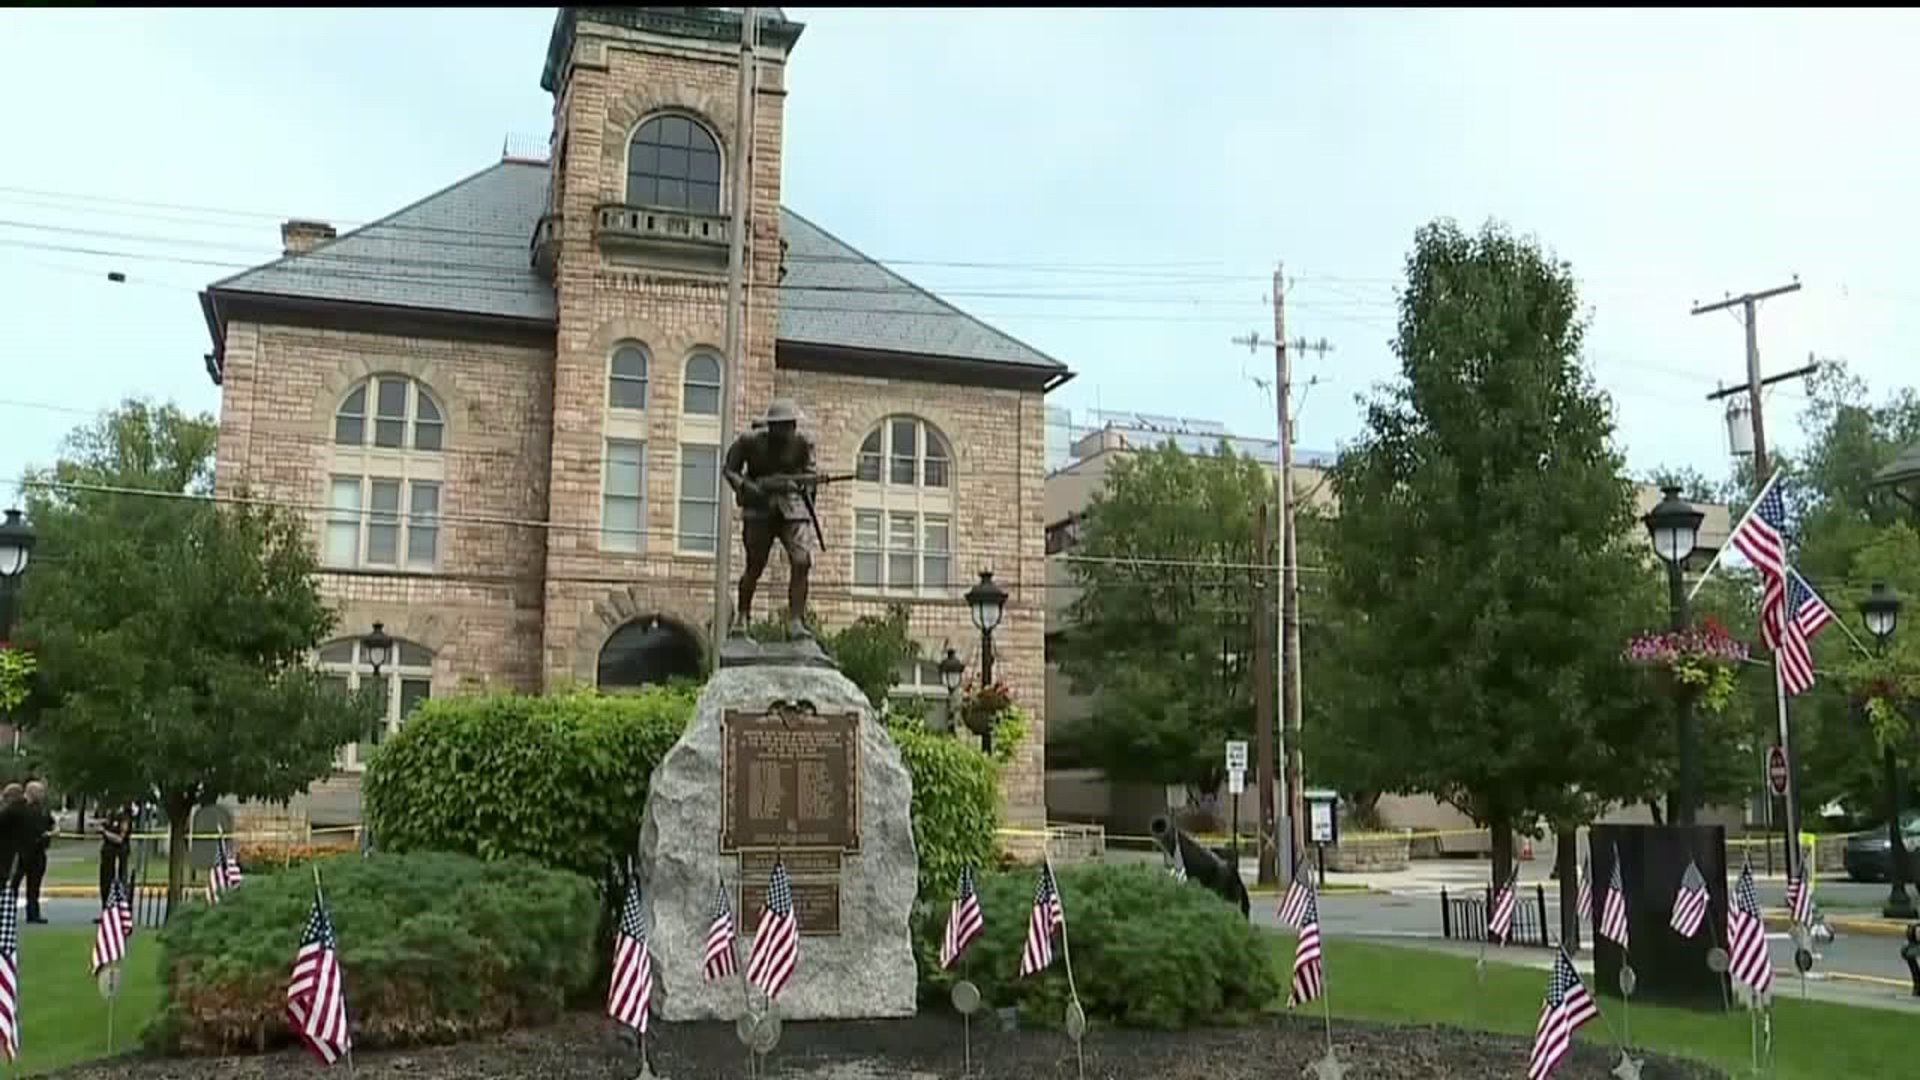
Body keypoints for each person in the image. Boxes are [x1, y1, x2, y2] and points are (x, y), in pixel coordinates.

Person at [721, 399, 817, 639]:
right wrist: (747, 487)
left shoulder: (802, 444)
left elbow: (811, 475)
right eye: (783, 426)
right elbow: (729, 470)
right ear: (771, 426)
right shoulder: (748, 442)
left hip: (791, 507)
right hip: (760, 508)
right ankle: (743, 616)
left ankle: (795, 620)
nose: (788, 431)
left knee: (802, 561)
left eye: (791, 426)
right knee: (755, 566)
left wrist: (801, 487)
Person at [10, 781, 54, 923]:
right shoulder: (19, 808)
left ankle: (33, 914)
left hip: (38, 852)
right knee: (13, 885)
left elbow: (51, 824)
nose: (42, 795)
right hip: (21, 852)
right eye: (40, 792)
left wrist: (52, 831)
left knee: (34, 886)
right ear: (31, 791)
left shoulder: (42, 810)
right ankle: (8, 912)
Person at [97, 799, 133, 916]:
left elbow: (120, 839)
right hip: (107, 856)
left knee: (117, 885)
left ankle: (117, 913)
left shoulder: (124, 817)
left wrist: (105, 832)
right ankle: (106, 911)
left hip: (118, 856)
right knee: (105, 884)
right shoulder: (110, 817)